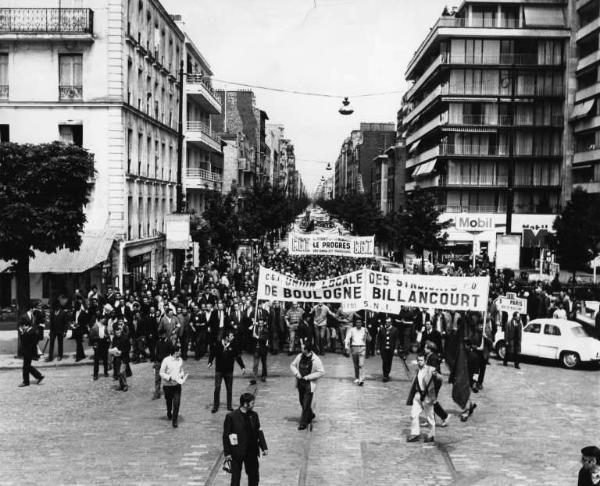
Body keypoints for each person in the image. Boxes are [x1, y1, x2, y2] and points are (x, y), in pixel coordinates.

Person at [223, 393, 268, 486]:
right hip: (237, 451)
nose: (253, 405)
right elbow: (226, 435)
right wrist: (227, 453)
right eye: (252, 403)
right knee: (235, 478)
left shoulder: (254, 415)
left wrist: (264, 447)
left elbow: (259, 431)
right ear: (245, 404)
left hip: (251, 451)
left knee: (254, 477)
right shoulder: (231, 416)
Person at [290, 342, 325, 430]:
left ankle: (303, 422)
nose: (301, 349)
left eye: (302, 348)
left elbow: (321, 372)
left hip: (309, 384)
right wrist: (297, 373)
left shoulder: (315, 359)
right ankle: (310, 414)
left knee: (306, 404)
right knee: (302, 402)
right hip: (300, 383)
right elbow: (292, 365)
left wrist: (308, 377)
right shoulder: (299, 356)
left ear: (307, 350)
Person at [209, 330, 246, 413]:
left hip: (229, 371)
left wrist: (242, 367)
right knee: (217, 388)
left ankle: (229, 406)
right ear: (226, 337)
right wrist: (210, 362)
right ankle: (215, 406)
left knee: (229, 389)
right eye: (231, 336)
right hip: (219, 370)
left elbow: (237, 357)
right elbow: (213, 353)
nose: (233, 337)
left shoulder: (233, 345)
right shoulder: (218, 344)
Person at [406, 352, 439, 443]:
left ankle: (431, 435)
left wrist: (436, 376)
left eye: (421, 360)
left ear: (425, 361)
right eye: (418, 360)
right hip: (417, 395)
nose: (420, 362)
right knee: (414, 414)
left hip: (427, 396)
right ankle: (415, 433)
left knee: (430, 417)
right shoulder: (417, 370)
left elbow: (439, 379)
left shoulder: (430, 369)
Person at [159, 344, 187, 428]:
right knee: (169, 401)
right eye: (179, 351)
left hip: (177, 385)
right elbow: (161, 372)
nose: (181, 352)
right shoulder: (166, 360)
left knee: (177, 403)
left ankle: (174, 421)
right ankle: (169, 411)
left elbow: (181, 370)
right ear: (175, 352)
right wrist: (169, 377)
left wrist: (182, 375)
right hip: (167, 386)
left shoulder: (180, 360)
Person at [18, 305, 45, 387]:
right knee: (27, 364)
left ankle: (27, 381)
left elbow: (38, 326)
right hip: (26, 343)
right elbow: (20, 327)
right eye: (35, 308)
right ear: (31, 308)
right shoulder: (24, 316)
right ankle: (37, 376)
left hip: (32, 343)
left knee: (26, 364)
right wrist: (24, 332)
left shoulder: (35, 316)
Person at [424, 341, 449, 427]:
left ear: (430, 349)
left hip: (435, 382)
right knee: (429, 401)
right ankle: (431, 420)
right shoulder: (429, 356)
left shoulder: (433, 357)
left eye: (426, 347)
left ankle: (445, 416)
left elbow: (434, 370)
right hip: (431, 381)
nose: (424, 349)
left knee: (432, 401)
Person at [344, 317, 369, 386]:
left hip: (362, 347)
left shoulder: (364, 329)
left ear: (361, 323)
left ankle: (361, 379)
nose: (358, 324)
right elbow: (347, 338)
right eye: (357, 322)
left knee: (361, 364)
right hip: (354, 347)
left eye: (360, 322)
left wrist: (367, 333)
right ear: (355, 323)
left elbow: (369, 339)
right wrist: (346, 346)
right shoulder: (352, 330)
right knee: (356, 364)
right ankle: (357, 377)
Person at [377, 316, 400, 382]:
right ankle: (385, 375)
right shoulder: (381, 329)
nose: (387, 323)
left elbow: (396, 340)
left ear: (391, 323)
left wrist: (396, 348)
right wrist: (378, 348)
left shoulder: (395, 330)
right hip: (383, 349)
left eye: (389, 322)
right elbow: (378, 340)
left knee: (389, 362)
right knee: (385, 361)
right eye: (386, 322)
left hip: (391, 349)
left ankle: (387, 373)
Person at [109, 325, 130, 391]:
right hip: (117, 357)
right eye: (116, 333)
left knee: (121, 371)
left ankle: (125, 385)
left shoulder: (125, 338)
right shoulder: (114, 339)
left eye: (119, 333)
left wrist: (121, 352)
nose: (118, 334)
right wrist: (113, 351)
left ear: (121, 331)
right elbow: (113, 346)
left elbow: (128, 348)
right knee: (118, 372)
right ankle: (121, 385)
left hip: (124, 357)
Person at [89, 313, 110, 380]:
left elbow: (107, 335)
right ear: (100, 319)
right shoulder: (95, 327)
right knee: (96, 360)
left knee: (105, 359)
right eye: (103, 318)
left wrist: (107, 339)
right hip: (97, 344)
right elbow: (91, 337)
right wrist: (94, 345)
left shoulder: (104, 326)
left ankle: (106, 372)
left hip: (104, 343)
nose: (104, 320)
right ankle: (95, 374)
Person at [250, 316, 270, 385]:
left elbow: (264, 339)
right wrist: (253, 325)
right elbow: (249, 332)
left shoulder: (266, 329)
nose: (260, 324)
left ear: (263, 323)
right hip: (256, 349)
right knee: (255, 364)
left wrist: (257, 337)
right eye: (259, 323)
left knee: (264, 363)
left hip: (263, 349)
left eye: (262, 323)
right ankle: (253, 378)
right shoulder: (255, 328)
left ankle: (264, 376)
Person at [153, 328, 172, 400]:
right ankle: (157, 393)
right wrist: (155, 363)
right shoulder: (158, 342)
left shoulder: (169, 342)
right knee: (157, 379)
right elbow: (156, 353)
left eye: (164, 334)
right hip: (158, 363)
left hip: (166, 364)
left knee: (167, 379)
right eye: (161, 335)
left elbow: (171, 353)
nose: (162, 336)